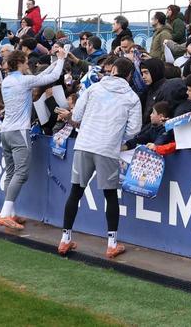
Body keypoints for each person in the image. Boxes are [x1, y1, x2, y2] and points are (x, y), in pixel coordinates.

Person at [58, 56, 142, 259]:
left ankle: (65, 239)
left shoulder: (94, 89)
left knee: (76, 191)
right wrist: (115, 136)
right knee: (110, 195)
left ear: (113, 70)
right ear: (130, 75)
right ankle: (111, 244)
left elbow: (76, 116)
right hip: (107, 149)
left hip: (85, 144)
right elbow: (134, 129)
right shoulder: (131, 97)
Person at [0, 46, 67, 230]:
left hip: (5, 132)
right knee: (21, 173)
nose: (28, 65)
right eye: (26, 62)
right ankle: (5, 214)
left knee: (11, 173)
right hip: (20, 132)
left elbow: (41, 76)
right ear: (19, 63)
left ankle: (10, 212)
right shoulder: (24, 80)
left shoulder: (7, 81)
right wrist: (61, 59)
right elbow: (49, 78)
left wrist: (53, 62)